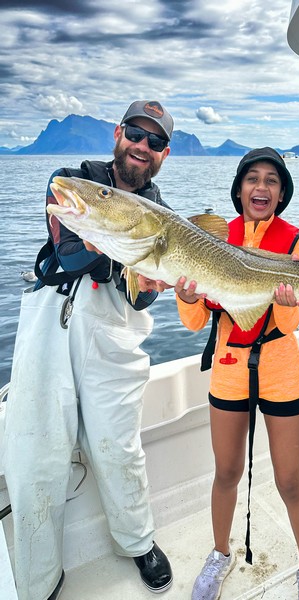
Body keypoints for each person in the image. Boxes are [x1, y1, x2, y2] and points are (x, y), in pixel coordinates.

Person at [3, 100, 175, 600]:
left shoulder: (162, 217)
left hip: (114, 335)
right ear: (118, 134)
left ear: (164, 154)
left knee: (119, 446)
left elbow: (142, 294)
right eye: (136, 135)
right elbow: (67, 250)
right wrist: (111, 244)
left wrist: (157, 281)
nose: (142, 147)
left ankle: (137, 541)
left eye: (156, 141)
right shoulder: (73, 181)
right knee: (36, 450)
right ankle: (39, 577)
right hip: (49, 331)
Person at [174, 148, 299, 600]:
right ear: (239, 189)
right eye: (253, 179)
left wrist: (285, 306)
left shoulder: (294, 242)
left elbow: (289, 325)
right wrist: (185, 294)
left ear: (282, 194)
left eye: (272, 181)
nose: (261, 187)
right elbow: (196, 322)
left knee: (290, 481)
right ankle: (220, 554)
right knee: (225, 472)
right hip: (228, 371)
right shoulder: (209, 239)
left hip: (281, 371)